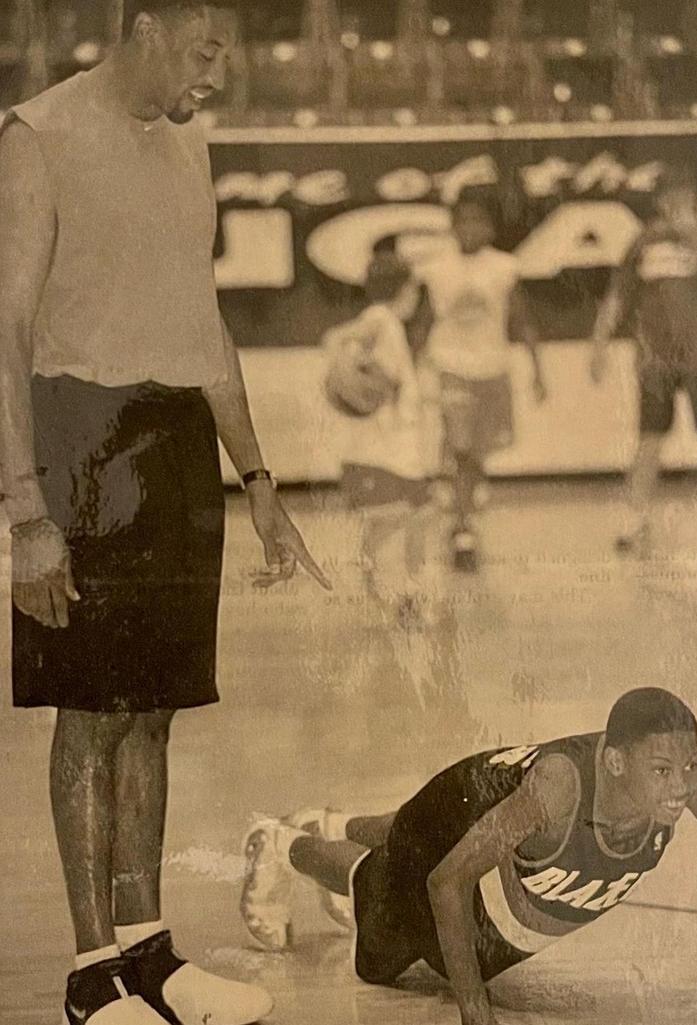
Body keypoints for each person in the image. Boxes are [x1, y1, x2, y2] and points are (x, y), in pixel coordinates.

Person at [0, 3, 330, 1024]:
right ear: (142, 28)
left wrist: (260, 481)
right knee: (91, 716)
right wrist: (24, 511)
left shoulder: (191, 142)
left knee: (151, 713)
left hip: (178, 445)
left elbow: (205, 313)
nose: (218, 74)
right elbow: (4, 327)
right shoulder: (37, 135)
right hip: (80, 441)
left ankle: (150, 955)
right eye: (204, 49)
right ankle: (90, 971)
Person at [241, 688, 697, 1025]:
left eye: (690, 767)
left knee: (394, 841)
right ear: (613, 762)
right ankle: (282, 843)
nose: (680, 787)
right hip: (457, 816)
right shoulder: (560, 789)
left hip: (492, 839)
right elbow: (447, 883)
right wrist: (476, 1013)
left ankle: (340, 825)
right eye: (662, 771)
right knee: (379, 938)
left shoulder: (681, 773)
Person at [590, 163, 697, 551]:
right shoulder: (644, 241)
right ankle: (634, 518)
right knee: (649, 439)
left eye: (684, 194)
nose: (677, 202)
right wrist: (599, 341)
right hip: (657, 359)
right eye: (669, 195)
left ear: (695, 197)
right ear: (659, 201)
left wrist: (693, 234)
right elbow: (619, 294)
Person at [417, 185, 547, 572]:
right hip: (451, 366)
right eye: (463, 222)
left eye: (478, 221)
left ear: (489, 227)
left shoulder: (504, 267)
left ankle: (461, 494)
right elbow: (423, 323)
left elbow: (521, 320)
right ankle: (463, 530)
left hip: (492, 368)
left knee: (477, 451)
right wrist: (408, 370)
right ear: (453, 227)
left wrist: (538, 369)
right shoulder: (436, 269)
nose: (470, 229)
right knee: (462, 447)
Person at [323, 252, 433, 627]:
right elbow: (342, 336)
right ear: (406, 289)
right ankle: (394, 599)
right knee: (395, 525)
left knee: (405, 523)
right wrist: (345, 364)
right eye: (414, 288)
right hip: (381, 453)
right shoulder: (381, 319)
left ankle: (392, 596)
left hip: (398, 452)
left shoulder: (391, 328)